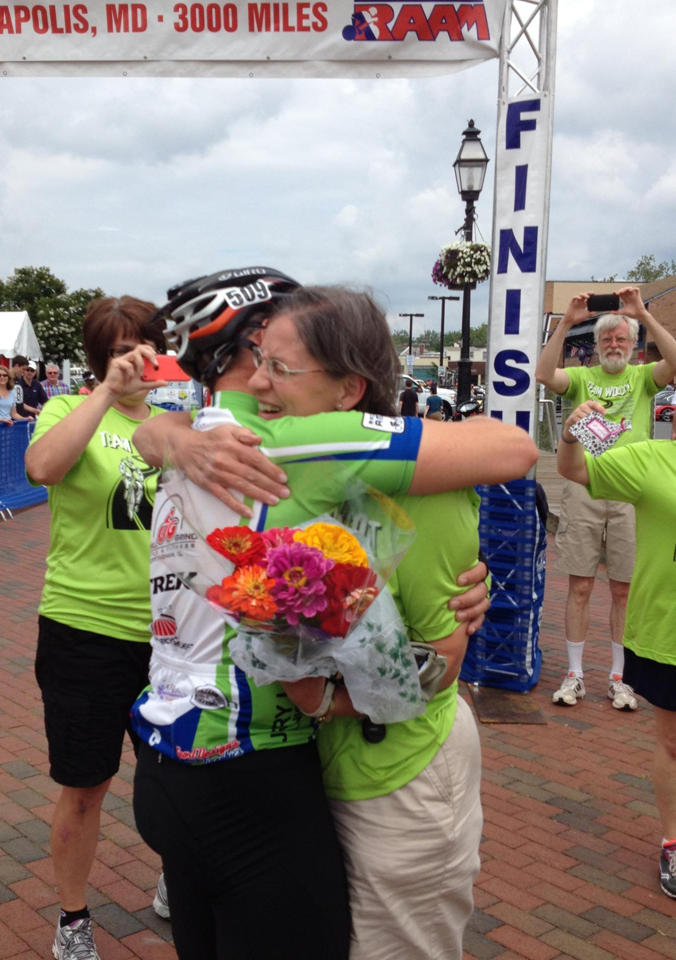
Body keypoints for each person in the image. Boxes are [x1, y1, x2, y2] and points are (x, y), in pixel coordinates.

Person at [130, 269, 538, 960]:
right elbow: (514, 449)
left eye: (282, 365)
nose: (267, 380)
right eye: (264, 357)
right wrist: (321, 698)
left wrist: (167, 433)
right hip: (250, 766)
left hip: (179, 755)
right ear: (243, 350)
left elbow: (437, 643)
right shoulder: (287, 441)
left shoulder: (195, 441)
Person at [24, 297, 172, 960]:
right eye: (117, 351)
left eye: (143, 348)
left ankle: (176, 876)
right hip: (83, 629)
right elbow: (42, 469)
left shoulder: (176, 425)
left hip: (168, 635)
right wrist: (105, 394)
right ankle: (74, 917)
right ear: (99, 359)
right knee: (85, 785)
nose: (133, 362)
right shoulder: (67, 410)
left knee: (176, 777)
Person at [536, 286, 676, 710]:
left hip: (633, 494)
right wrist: (566, 322)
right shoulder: (582, 379)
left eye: (621, 339)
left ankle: (620, 677)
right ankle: (575, 674)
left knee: (623, 590)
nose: (614, 345)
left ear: (633, 346)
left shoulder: (643, 377)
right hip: (584, 484)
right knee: (580, 585)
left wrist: (644, 315)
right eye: (606, 339)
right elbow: (544, 375)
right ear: (596, 346)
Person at [558, 401, 676, 898]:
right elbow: (574, 469)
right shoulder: (651, 459)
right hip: (668, 628)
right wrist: (570, 434)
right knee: (672, 742)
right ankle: (673, 841)